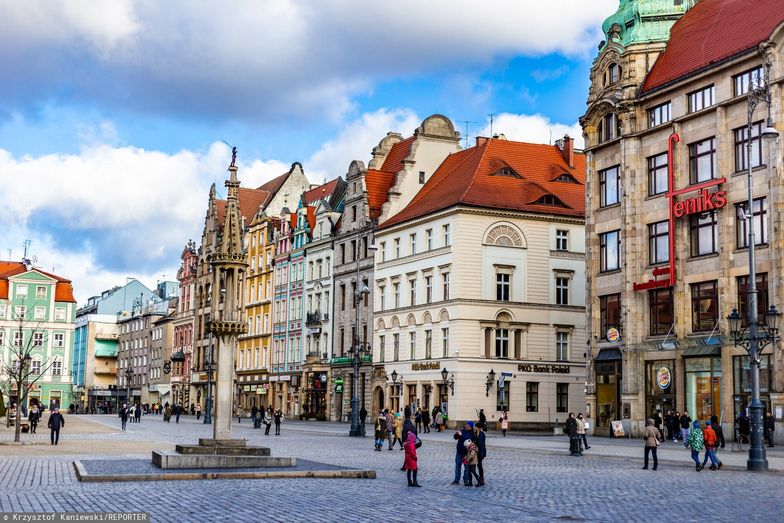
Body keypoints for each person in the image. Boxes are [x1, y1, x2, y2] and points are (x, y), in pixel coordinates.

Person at [453, 421, 474, 485]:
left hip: (466, 454)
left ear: (471, 427)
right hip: (459, 452)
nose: (467, 427)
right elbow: (455, 438)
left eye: (468, 426)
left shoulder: (473, 433)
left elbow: (471, 441)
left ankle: (466, 480)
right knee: (457, 466)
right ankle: (456, 480)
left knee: (466, 468)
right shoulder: (462, 431)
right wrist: (457, 434)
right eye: (466, 425)